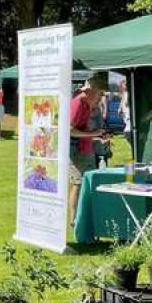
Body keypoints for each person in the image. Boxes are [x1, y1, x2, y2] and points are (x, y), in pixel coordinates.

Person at [67, 79, 109, 225]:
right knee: (78, 183)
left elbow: (83, 130)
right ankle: (73, 220)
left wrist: (98, 136)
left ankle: (81, 216)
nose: (101, 97)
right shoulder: (78, 104)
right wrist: (94, 134)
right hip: (75, 149)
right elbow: (70, 130)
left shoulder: (86, 105)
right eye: (99, 94)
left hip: (83, 148)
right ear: (90, 92)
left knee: (83, 182)